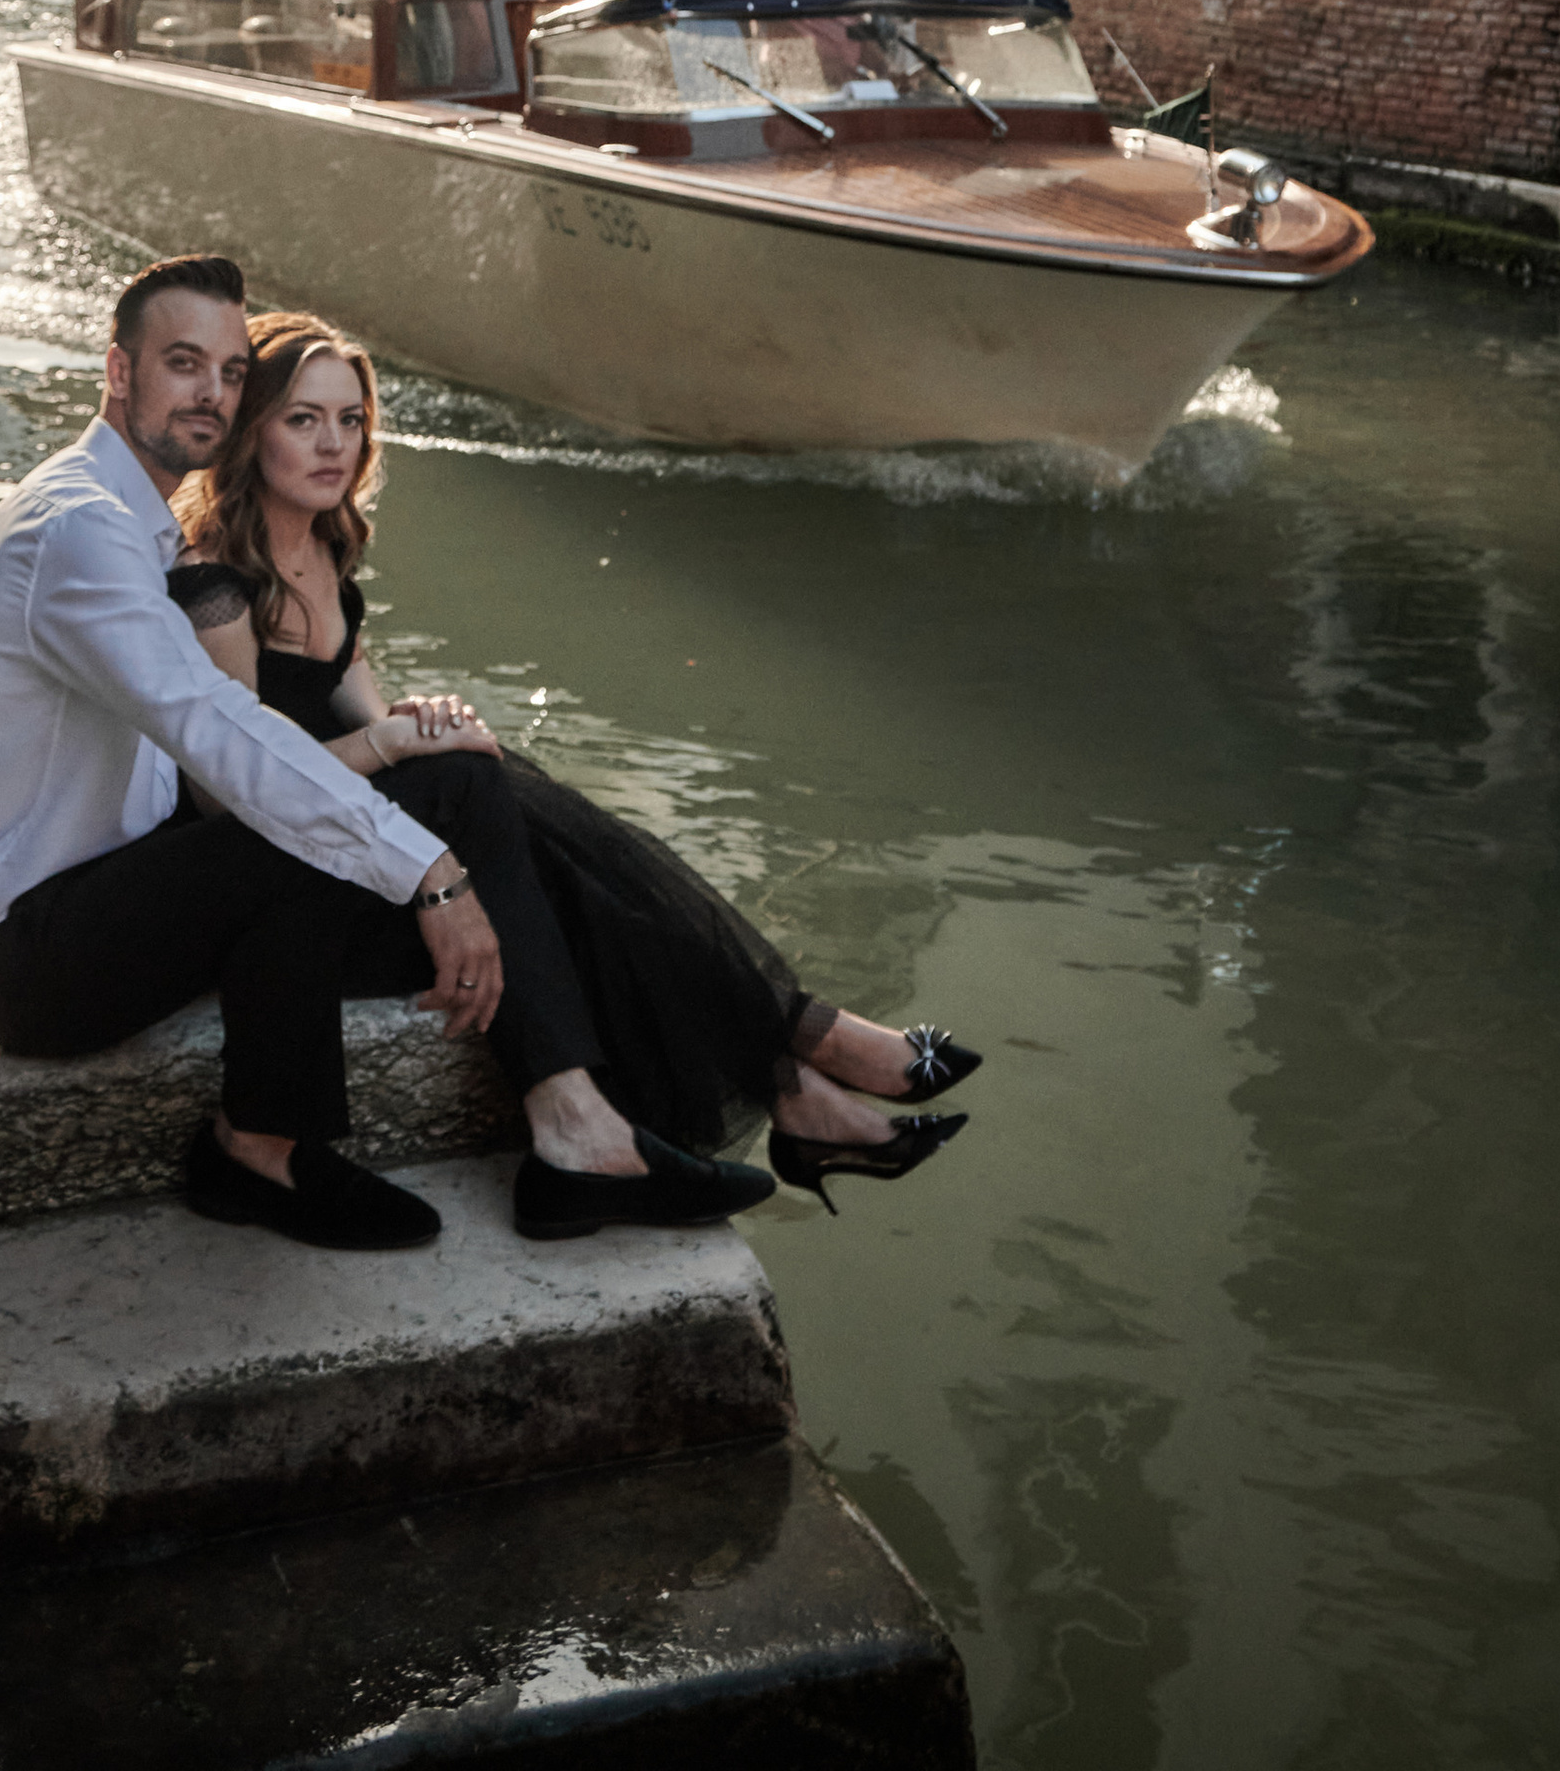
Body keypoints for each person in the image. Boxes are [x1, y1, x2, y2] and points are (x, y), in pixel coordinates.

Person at [0, 255, 775, 1254]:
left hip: (110, 894)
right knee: (425, 802)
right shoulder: (78, 530)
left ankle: (522, 1126)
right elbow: (218, 733)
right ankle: (349, 1146)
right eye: (182, 364)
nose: (211, 394)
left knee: (444, 801)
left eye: (232, 373)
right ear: (118, 371)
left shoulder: (136, 522)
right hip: (38, 950)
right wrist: (432, 874)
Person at [171, 311, 976, 1207]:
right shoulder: (214, 586)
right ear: (251, 433)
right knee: (522, 822)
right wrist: (396, 742)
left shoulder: (324, 549)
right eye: (303, 419)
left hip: (367, 848)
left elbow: (358, 708)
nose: (335, 444)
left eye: (351, 419)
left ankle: (782, 1091)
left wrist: (419, 721)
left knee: (509, 801)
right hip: (289, 892)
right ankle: (804, 1054)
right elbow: (229, 795)